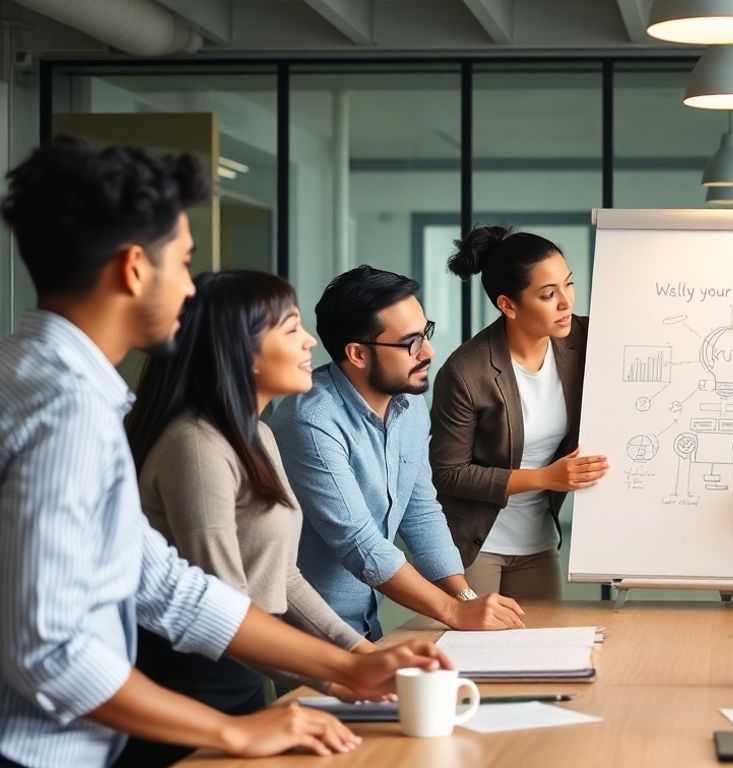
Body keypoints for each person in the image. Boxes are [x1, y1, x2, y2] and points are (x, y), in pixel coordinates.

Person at [0, 138, 449, 768]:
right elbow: (51, 652)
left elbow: (165, 583)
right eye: (183, 262)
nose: (190, 290)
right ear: (134, 269)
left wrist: (348, 666)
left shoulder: (47, 383)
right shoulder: (67, 410)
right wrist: (233, 732)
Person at [117, 271, 387, 767]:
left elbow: (282, 578)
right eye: (291, 328)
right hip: (193, 690)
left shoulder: (257, 436)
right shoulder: (196, 446)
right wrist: (335, 676)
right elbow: (220, 605)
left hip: (245, 676)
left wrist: (361, 655)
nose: (309, 342)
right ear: (240, 350)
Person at [270, 265, 525, 640]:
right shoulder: (310, 421)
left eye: (426, 333)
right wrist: (454, 612)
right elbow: (360, 544)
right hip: (306, 634)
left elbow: (420, 512)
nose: (429, 352)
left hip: (366, 622)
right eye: (411, 343)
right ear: (357, 354)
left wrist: (465, 598)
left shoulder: (408, 403)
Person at [432, 226, 606, 599]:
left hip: (538, 540)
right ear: (508, 305)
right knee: (473, 638)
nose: (566, 302)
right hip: (475, 543)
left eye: (569, 284)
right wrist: (545, 477)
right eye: (548, 294)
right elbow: (448, 473)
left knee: (546, 636)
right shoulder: (466, 372)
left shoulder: (583, 339)